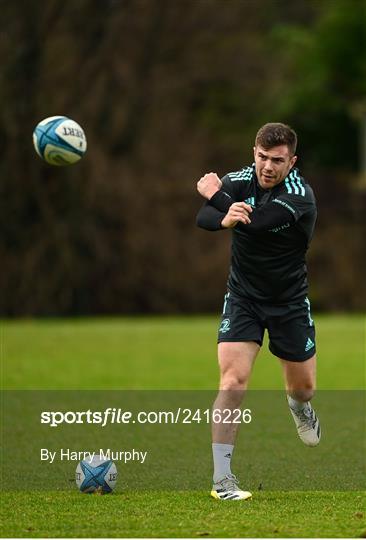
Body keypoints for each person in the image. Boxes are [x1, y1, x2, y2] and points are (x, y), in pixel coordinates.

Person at [196, 123, 320, 501]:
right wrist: (221, 210)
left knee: (304, 388)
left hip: (289, 303)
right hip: (243, 298)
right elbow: (204, 219)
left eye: (278, 161)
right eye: (262, 157)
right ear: (254, 152)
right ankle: (222, 480)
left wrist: (217, 198)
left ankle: (299, 408)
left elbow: (259, 224)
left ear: (292, 162)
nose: (268, 167)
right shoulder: (240, 179)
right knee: (232, 382)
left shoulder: (300, 195)